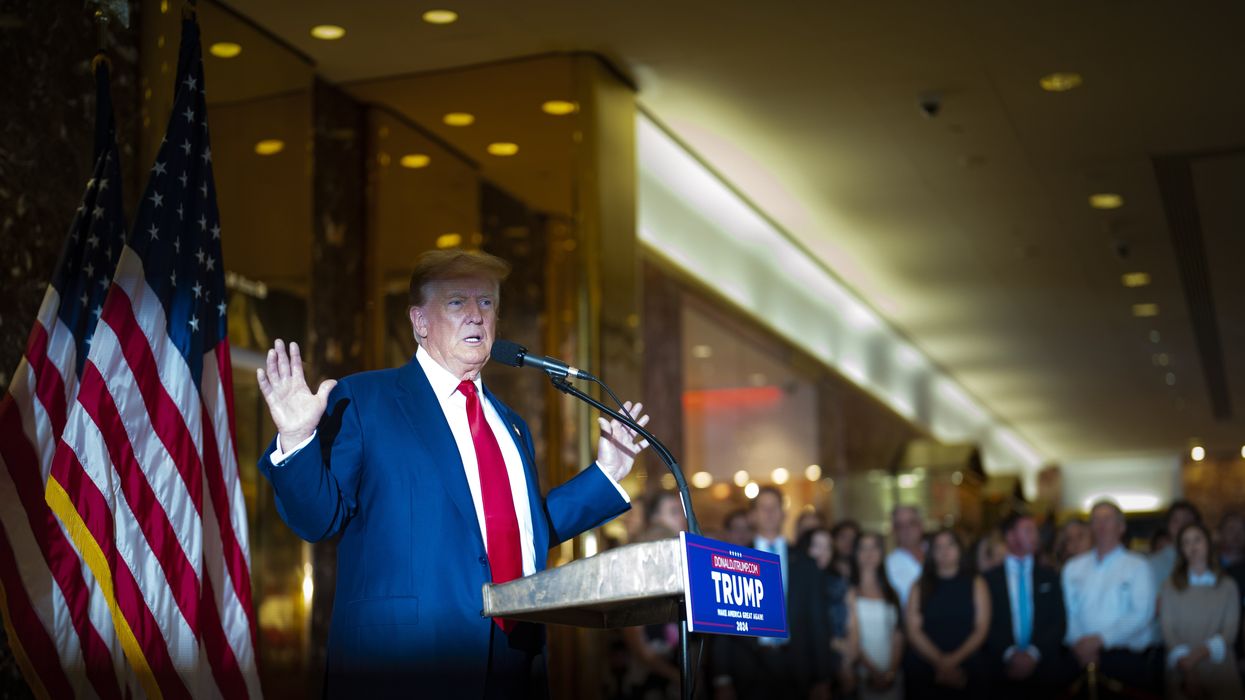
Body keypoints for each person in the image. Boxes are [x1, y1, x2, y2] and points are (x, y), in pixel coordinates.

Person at [255, 249, 649, 698]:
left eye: (486, 303)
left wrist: (606, 472)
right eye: (457, 302)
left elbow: (518, 534)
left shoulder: (511, 424)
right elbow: (315, 518)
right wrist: (297, 440)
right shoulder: (365, 399)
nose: (476, 316)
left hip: (513, 662)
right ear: (419, 321)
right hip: (403, 667)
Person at [711, 487, 829, 699]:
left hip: (797, 665)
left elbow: (817, 620)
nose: (769, 513)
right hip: (748, 665)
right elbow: (724, 623)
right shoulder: (735, 560)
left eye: (774, 507)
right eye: (763, 508)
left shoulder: (805, 562)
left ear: (784, 514)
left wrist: (822, 677)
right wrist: (722, 677)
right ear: (752, 516)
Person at [1062, 500, 1160, 694]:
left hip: (1124, 661)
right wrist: (1080, 645)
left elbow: (1141, 614)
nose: (1101, 525)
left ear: (1121, 527)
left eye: (1107, 519)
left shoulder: (1138, 566)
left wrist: (1100, 640)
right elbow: (1068, 612)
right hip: (1079, 657)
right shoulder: (1073, 567)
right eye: (1095, 520)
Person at [982, 513, 1069, 697]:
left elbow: (1058, 620)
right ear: (1010, 536)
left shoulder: (1049, 576)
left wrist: (1033, 654)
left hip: (1044, 669)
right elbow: (985, 623)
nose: (1035, 536)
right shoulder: (988, 580)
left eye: (1035, 531)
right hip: (1001, 671)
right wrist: (1009, 654)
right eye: (1028, 530)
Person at [902, 528, 990, 699]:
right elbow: (913, 630)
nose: (944, 551)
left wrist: (953, 661)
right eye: (938, 547)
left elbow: (981, 628)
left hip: (968, 662)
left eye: (950, 545)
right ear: (932, 553)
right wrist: (941, 662)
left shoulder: (977, 583)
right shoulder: (919, 586)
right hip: (925, 665)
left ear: (960, 549)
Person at [1160, 522, 1243, 699]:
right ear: (1181, 549)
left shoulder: (1227, 586)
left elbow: (1229, 632)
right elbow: (1168, 630)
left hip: (1221, 670)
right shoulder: (1170, 586)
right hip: (1181, 670)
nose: (1192, 546)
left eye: (1197, 540)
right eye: (1186, 542)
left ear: (1208, 544)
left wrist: (1196, 656)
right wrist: (1188, 668)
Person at [621, 491, 688, 700]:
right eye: (674, 512)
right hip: (648, 682)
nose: (682, 519)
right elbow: (637, 643)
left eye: (682, 512)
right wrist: (677, 677)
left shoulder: (682, 560)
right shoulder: (640, 560)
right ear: (655, 519)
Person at [845, 532, 904, 700]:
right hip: (862, 676)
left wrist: (891, 672)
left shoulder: (892, 593)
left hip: (892, 675)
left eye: (874, 547)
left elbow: (898, 634)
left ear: (881, 553)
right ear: (855, 554)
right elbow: (850, 637)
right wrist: (873, 672)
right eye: (863, 548)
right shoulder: (849, 591)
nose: (869, 553)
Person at [796, 526, 852, 693]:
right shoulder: (796, 584)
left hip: (842, 661)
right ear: (805, 548)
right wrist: (836, 644)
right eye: (817, 546)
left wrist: (848, 661)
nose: (823, 552)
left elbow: (852, 622)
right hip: (806, 664)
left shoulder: (838, 581)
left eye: (828, 547)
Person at [1150, 500, 1202, 589]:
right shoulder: (1155, 563)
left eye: (1187, 520)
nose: (1182, 525)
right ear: (1168, 526)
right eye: (1176, 521)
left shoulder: (1207, 560)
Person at [886, 505, 925, 611]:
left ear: (921, 525)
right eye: (900, 526)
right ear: (893, 531)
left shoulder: (938, 553)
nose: (906, 530)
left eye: (912, 523)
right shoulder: (887, 566)